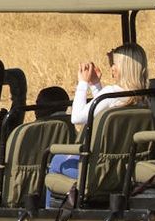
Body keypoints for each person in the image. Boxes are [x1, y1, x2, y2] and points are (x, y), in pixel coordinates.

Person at [46, 44, 149, 197]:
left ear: (123, 67)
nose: (111, 68)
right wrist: (95, 85)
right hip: (125, 170)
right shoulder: (143, 99)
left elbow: (77, 118)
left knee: (56, 160)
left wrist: (82, 83)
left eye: (114, 64)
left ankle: (49, 215)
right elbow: (103, 108)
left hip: (97, 171)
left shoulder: (112, 93)